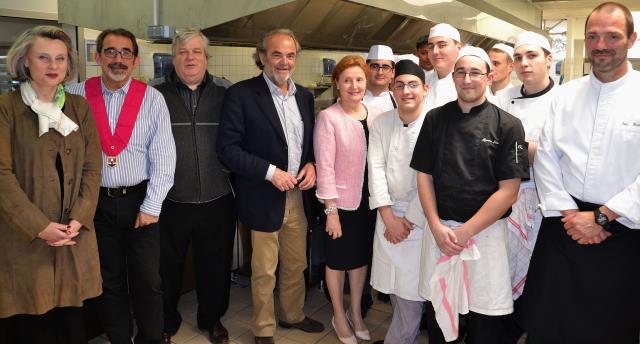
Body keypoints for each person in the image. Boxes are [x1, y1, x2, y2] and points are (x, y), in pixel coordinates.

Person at [520, 3, 640, 343]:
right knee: (547, 326)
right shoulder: (567, 94)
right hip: (564, 228)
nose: (601, 44)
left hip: (624, 231)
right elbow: (546, 157)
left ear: (631, 39)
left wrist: (601, 218)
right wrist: (573, 216)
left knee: (610, 329)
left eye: (612, 36)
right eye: (593, 36)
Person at [411, 46, 528, 344]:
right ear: (454, 77)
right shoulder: (435, 119)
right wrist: (436, 225)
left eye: (475, 72)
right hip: (440, 232)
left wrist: (465, 232)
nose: (467, 79)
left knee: (484, 319)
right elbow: (423, 175)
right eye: (460, 72)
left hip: (485, 236)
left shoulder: (508, 125)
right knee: (439, 314)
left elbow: (509, 191)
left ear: (488, 77)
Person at [67, 28, 176, 344]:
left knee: (147, 280)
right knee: (109, 281)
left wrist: (152, 207)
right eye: (110, 52)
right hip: (94, 203)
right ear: (98, 56)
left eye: (125, 52)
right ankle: (118, 338)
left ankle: (151, 338)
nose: (118, 59)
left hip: (139, 202)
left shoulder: (152, 99)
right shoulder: (74, 95)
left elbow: (164, 158)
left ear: (135, 59)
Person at [217, 29, 323, 344]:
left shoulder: (304, 95)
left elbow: (309, 143)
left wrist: (312, 164)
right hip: (263, 194)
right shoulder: (241, 95)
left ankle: (293, 314)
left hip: (297, 195)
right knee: (264, 270)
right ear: (262, 57)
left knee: (297, 262)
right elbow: (228, 148)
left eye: (290, 55)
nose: (284, 61)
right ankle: (263, 328)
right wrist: (269, 172)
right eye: (276, 54)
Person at [0, 25, 102, 344]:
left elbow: (91, 167)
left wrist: (79, 218)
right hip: (26, 237)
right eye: (43, 57)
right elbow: (1, 173)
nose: (53, 66)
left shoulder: (79, 108)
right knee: (34, 319)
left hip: (73, 235)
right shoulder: (7, 108)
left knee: (71, 320)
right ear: (25, 61)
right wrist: (39, 226)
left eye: (60, 58)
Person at [154, 29, 236, 344]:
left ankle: (211, 319)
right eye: (183, 52)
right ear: (173, 58)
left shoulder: (224, 93)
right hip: (170, 199)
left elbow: (238, 138)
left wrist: (226, 171)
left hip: (217, 197)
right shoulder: (155, 95)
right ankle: (166, 319)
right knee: (166, 268)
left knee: (215, 265)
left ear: (206, 57)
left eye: (197, 52)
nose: (190, 57)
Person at [493, 31, 557, 343]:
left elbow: (561, 154)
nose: (523, 63)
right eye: (518, 57)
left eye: (531, 56)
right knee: (503, 272)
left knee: (537, 275)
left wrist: (518, 145)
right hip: (505, 198)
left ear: (548, 59)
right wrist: (530, 147)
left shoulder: (563, 100)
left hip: (545, 201)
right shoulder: (502, 98)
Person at [314, 55, 378, 344]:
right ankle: (338, 314)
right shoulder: (329, 117)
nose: (354, 85)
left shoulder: (374, 114)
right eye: (347, 80)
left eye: (359, 79)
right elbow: (324, 166)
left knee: (360, 259)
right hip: (339, 203)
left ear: (366, 83)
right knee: (338, 261)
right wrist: (331, 210)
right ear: (337, 84)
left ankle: (356, 311)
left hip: (368, 202)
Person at [368, 60, 429, 344]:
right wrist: (388, 216)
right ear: (392, 88)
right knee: (392, 285)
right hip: (388, 213)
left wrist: (409, 220)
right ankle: (406, 337)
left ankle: (399, 340)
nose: (406, 91)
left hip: (419, 218)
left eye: (413, 85)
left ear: (425, 89)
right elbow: (376, 167)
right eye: (400, 85)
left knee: (410, 292)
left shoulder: (434, 122)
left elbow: (430, 177)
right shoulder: (382, 122)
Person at [424, 23, 462, 112]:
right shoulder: (423, 81)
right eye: (430, 47)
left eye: (442, 45)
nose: (435, 51)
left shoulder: (468, 84)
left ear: (459, 47)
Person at [363, 45, 396, 114]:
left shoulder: (399, 101)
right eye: (374, 66)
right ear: (365, 69)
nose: (380, 72)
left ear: (393, 72)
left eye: (385, 67)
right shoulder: (352, 99)